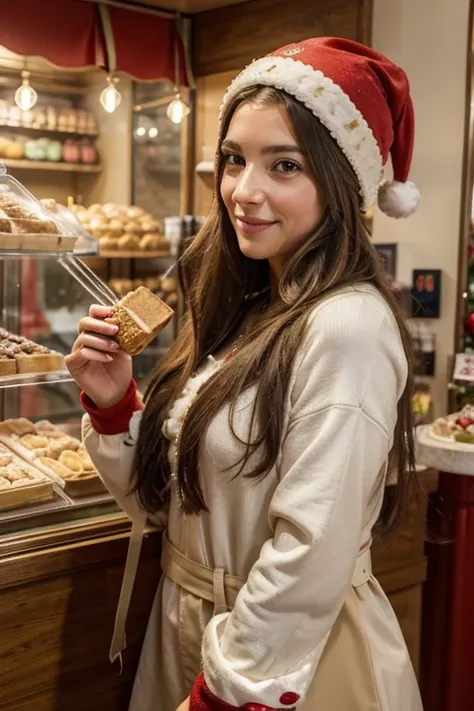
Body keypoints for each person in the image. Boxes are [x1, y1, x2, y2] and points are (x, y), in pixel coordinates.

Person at [65, 37, 423, 711]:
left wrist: (227, 694)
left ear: (341, 182)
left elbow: (310, 553)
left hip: (286, 671)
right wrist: (116, 408)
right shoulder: (252, 309)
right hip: (195, 639)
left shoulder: (346, 326)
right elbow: (177, 507)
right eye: (234, 159)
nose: (243, 191)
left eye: (283, 165)